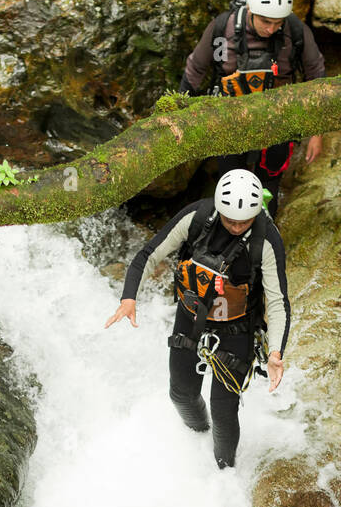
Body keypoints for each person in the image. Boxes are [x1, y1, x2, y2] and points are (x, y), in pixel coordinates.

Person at [104, 168, 290, 470]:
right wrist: (129, 297)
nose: (236, 226)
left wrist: (276, 353)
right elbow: (148, 254)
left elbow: (279, 301)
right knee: (181, 394)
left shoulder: (266, 240)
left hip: (237, 327)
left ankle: (223, 472)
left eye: (244, 221)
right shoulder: (198, 217)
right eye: (230, 219)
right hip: (191, 315)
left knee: (223, 411)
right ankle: (196, 438)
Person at [179, 0, 326, 217]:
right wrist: (178, 118)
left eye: (278, 23)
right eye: (266, 22)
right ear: (250, 11)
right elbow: (195, 70)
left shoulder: (295, 31)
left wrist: (317, 134)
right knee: (232, 186)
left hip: (280, 119)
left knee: (268, 183)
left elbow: (317, 76)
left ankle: (263, 235)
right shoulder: (221, 28)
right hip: (229, 120)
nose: (271, 29)